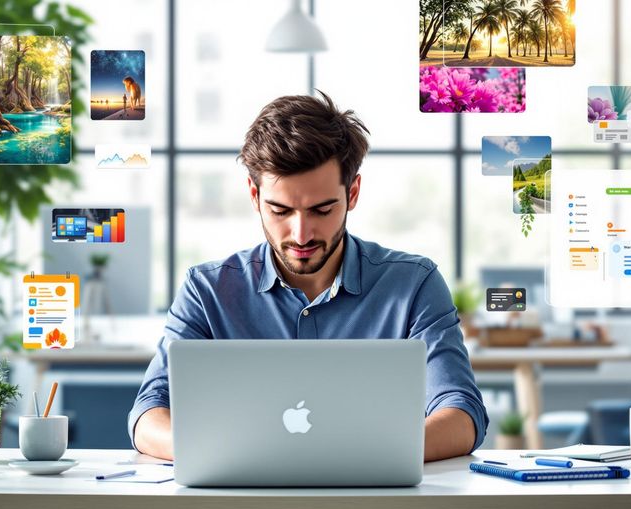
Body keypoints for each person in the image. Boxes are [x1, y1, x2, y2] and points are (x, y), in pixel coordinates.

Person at [128, 92, 488, 462]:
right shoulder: (207, 291)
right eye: (280, 210)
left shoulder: (414, 285)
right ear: (254, 195)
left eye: (322, 209)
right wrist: (238, 456)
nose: (301, 234)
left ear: (353, 193)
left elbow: (462, 414)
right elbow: (148, 415)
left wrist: (349, 458)